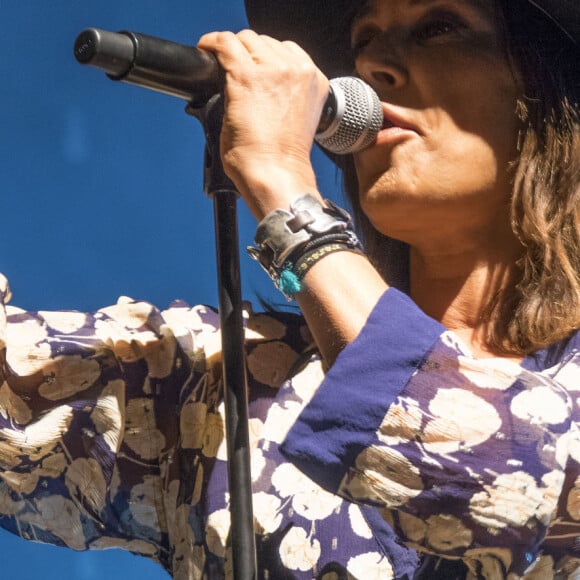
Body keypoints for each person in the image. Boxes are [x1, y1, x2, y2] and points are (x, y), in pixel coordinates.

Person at [0, 0, 577, 579]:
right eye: (363, 39)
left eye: (439, 27)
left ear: (550, 87)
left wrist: (283, 186)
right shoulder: (227, 381)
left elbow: (520, 483)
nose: (373, 62)